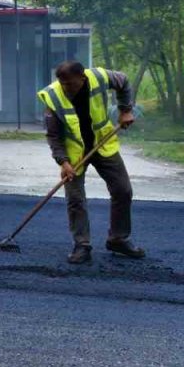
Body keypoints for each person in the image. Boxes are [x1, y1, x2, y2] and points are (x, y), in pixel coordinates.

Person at [38, 60, 142, 264]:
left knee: (123, 190)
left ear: (83, 78)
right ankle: (81, 245)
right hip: (74, 152)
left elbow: (123, 81)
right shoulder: (53, 96)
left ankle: (118, 239)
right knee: (75, 199)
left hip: (102, 143)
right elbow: (53, 135)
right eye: (63, 83)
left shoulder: (100, 77)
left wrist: (125, 109)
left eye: (70, 84)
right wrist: (63, 162)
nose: (66, 88)